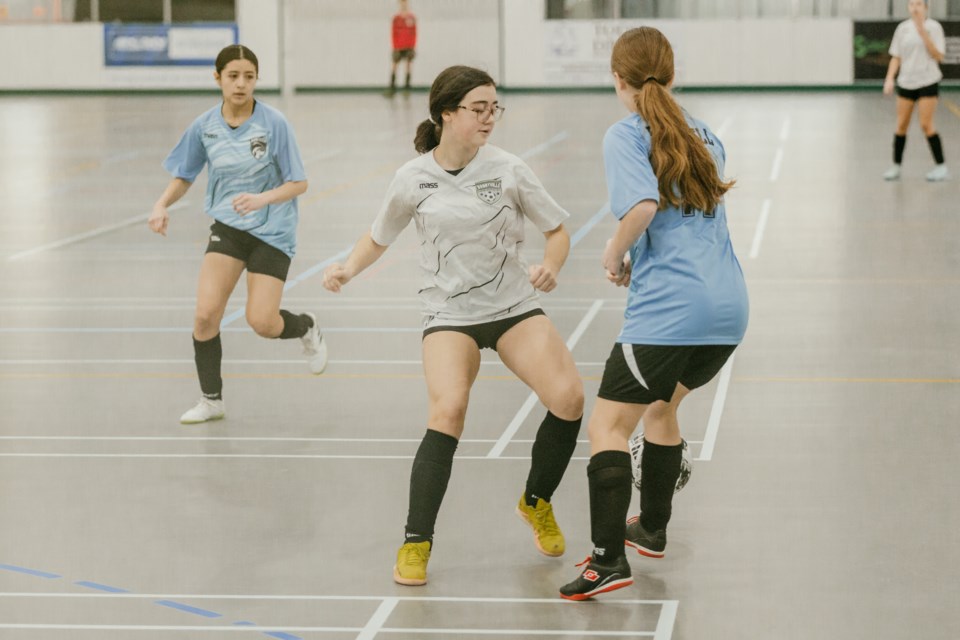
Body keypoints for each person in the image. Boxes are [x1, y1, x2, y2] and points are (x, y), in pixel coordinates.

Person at [323, 65, 584, 586]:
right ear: (447, 114)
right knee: (449, 409)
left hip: (512, 307)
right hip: (449, 314)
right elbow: (379, 236)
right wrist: (348, 268)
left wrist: (551, 266)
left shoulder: (508, 169)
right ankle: (416, 541)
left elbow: (557, 230)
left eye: (494, 108)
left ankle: (535, 500)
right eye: (478, 108)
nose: (490, 118)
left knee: (570, 397)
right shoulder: (413, 177)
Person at [559, 27, 748, 601]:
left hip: (670, 312)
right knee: (661, 410)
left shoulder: (626, 133)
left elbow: (642, 206)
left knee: (608, 427)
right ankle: (653, 529)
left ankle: (607, 559)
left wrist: (614, 256)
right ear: (672, 73)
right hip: (728, 310)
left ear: (618, 79)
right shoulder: (703, 132)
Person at [148, 44, 327, 425]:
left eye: (249, 76)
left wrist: (263, 198)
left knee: (262, 322)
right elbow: (185, 174)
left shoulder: (273, 123)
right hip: (228, 229)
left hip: (272, 231)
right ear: (218, 79)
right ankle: (211, 400)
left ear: (256, 80)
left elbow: (299, 183)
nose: (241, 84)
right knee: (204, 316)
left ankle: (306, 326)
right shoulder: (204, 126)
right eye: (233, 76)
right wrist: (161, 204)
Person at [882, 0, 948, 181]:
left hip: (927, 81)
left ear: (926, 7)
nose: (915, 7)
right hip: (906, 82)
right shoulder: (902, 29)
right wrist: (889, 79)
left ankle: (941, 166)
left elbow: (939, 56)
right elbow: (896, 57)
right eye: (911, 4)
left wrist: (923, 33)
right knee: (901, 125)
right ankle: (896, 165)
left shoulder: (934, 27)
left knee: (926, 125)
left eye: (919, 4)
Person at [386, 0, 417, 97]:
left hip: (408, 46)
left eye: (405, 4)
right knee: (395, 66)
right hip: (398, 46)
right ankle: (392, 88)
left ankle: (407, 89)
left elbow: (414, 33)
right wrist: (395, 46)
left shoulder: (411, 18)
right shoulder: (396, 18)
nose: (404, 6)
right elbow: (393, 33)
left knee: (408, 66)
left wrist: (412, 45)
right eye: (402, 4)